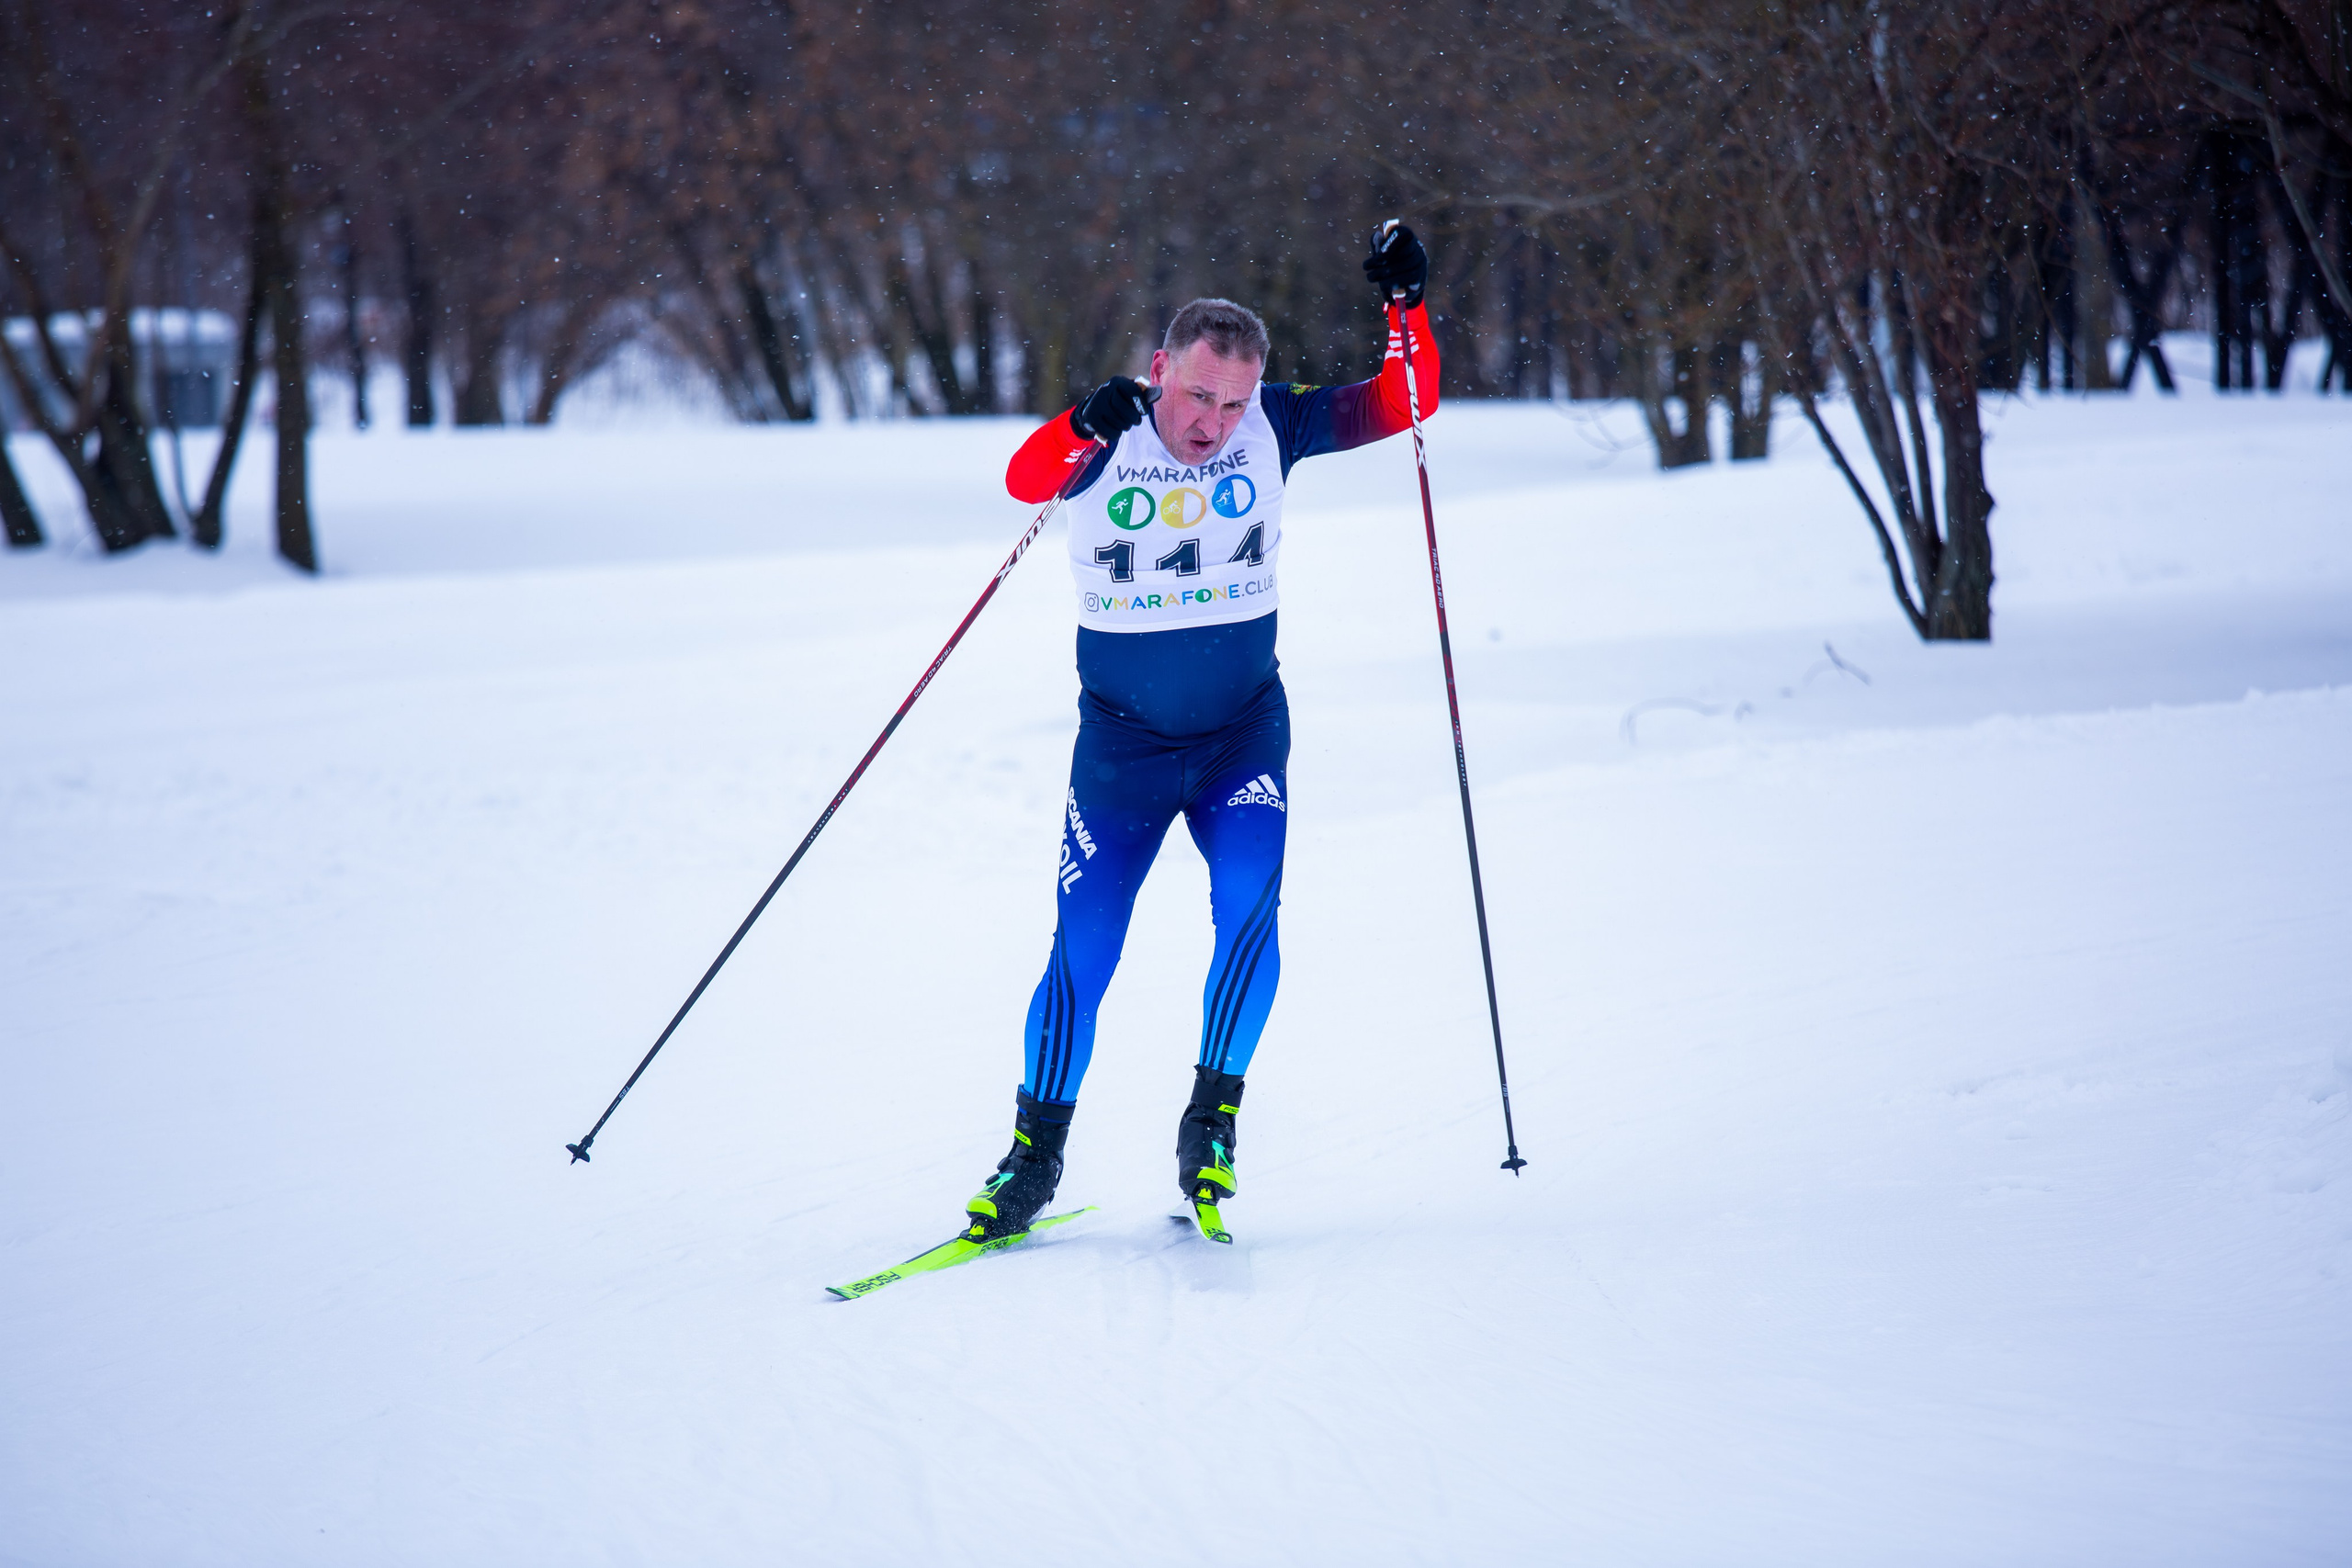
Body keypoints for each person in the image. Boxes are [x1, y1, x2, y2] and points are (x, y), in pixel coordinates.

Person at [962, 225, 1440, 1242]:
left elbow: (1404, 401)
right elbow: (1025, 478)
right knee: (1084, 947)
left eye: (1232, 402)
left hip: (1239, 737)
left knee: (1250, 908)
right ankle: (1033, 1157)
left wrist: (1407, 310)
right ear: (1159, 371)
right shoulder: (1109, 432)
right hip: (1122, 750)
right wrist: (1077, 423)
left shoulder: (1277, 422)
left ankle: (1209, 1125)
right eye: (1196, 396)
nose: (1213, 423)